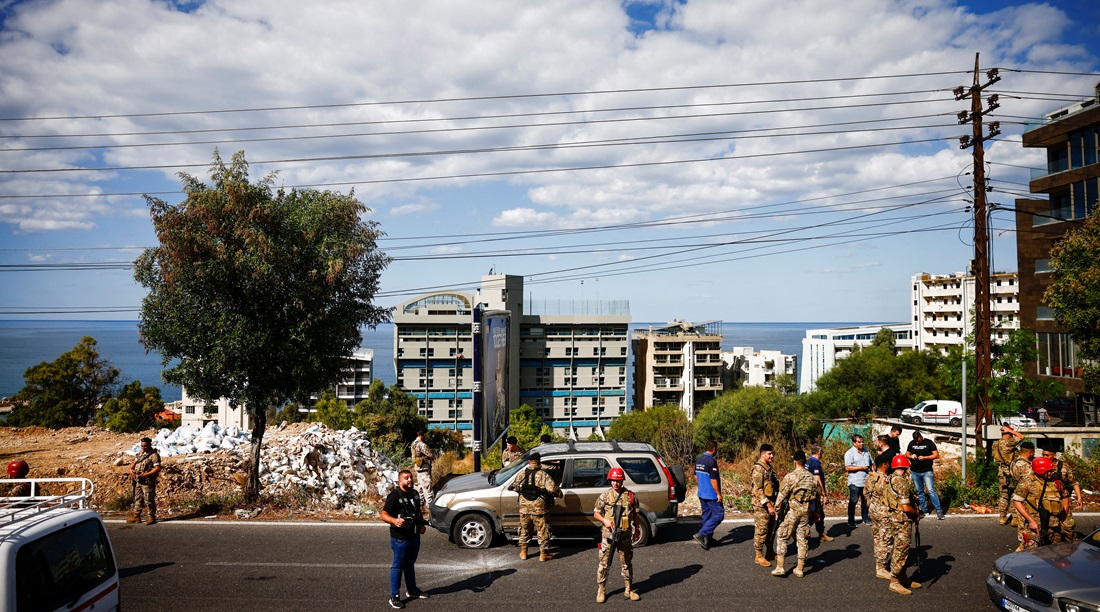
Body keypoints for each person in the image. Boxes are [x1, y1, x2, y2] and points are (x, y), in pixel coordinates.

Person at [381, 469, 429, 609]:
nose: (409, 480)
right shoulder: (395, 495)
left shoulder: (414, 494)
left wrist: (421, 526)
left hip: (414, 536)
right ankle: (394, 596)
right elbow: (383, 515)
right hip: (400, 539)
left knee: (410, 564)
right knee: (398, 566)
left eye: (411, 478)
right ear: (400, 481)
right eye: (406, 478)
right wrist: (394, 521)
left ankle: (412, 590)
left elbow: (417, 512)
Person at [593, 467, 641, 603]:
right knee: (604, 563)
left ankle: (628, 589)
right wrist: (605, 521)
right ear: (610, 480)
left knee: (626, 563)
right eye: (613, 480)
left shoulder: (631, 496)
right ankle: (601, 589)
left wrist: (636, 530)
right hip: (609, 535)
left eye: (618, 480)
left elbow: (636, 514)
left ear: (622, 481)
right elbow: (596, 513)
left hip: (625, 536)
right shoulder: (605, 496)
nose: (616, 483)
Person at [771, 450, 820, 578]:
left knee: (782, 535)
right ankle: (799, 568)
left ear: (795, 462)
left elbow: (781, 496)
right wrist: (816, 512)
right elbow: (817, 497)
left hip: (792, 511)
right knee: (802, 538)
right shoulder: (812, 478)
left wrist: (777, 511)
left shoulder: (790, 477)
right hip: (806, 512)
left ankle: (780, 567)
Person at [1012, 457, 1074, 551]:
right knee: (1032, 553)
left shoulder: (1056, 482)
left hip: (1053, 526)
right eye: (1048, 471)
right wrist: (1031, 521)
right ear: (1039, 471)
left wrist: (1063, 515)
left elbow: (1065, 497)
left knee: (1055, 553)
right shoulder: (1027, 482)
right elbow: (1017, 502)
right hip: (1035, 526)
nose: (1052, 473)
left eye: (1052, 470)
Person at [883, 455, 921, 595]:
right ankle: (894, 580)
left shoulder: (889, 479)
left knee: (899, 547)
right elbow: (906, 507)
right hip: (902, 520)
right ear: (905, 467)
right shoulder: (902, 483)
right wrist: (916, 514)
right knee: (902, 549)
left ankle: (902, 576)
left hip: (893, 518)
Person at [512, 452, 561, 561]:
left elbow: (516, 487)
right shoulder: (543, 475)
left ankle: (523, 552)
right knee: (542, 531)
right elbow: (553, 489)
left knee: (525, 530)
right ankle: (543, 554)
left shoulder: (521, 474)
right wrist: (559, 494)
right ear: (539, 462)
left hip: (524, 508)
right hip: (539, 509)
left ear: (529, 461)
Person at [865, 454, 894, 580]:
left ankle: (879, 564)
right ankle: (881, 567)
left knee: (877, 538)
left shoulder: (870, 477)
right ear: (885, 464)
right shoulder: (885, 479)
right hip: (884, 513)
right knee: (886, 539)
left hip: (873, 511)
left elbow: (865, 494)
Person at [751, 443, 779, 567]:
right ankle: (758, 555)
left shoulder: (768, 468)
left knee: (771, 529)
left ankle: (770, 552)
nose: (772, 456)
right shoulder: (758, 469)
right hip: (761, 506)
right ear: (763, 454)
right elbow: (758, 489)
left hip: (771, 503)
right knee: (761, 530)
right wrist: (768, 505)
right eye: (769, 454)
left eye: (772, 453)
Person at [905, 431, 944, 520]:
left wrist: (925, 458)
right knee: (919, 491)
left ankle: (939, 510)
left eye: (918, 441)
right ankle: (924, 509)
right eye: (916, 442)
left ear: (921, 437)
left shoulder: (929, 443)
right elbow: (907, 454)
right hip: (915, 471)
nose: (917, 443)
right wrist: (912, 456)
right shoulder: (911, 443)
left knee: (931, 490)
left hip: (927, 471)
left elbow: (936, 455)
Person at [993, 425, 1026, 525]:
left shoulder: (996, 443)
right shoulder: (1009, 443)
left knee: (1004, 496)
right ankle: (1015, 519)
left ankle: (1002, 518)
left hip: (1002, 473)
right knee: (1017, 495)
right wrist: (1012, 432)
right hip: (1012, 473)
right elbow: (1021, 437)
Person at [693, 440, 722, 550]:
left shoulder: (699, 459)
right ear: (714, 449)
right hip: (711, 495)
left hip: (701, 493)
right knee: (719, 514)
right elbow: (713, 479)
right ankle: (701, 534)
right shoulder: (711, 461)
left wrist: (702, 485)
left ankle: (708, 540)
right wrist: (718, 494)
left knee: (707, 515)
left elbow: (695, 476)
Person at [128, 437, 162, 525]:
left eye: (145, 446)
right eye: (142, 446)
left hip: (147, 481)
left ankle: (151, 516)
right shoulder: (140, 454)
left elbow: (157, 468)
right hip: (139, 481)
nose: (144, 448)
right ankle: (136, 516)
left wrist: (146, 474)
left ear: (150, 445)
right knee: (138, 498)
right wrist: (131, 469)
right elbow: (134, 463)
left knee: (148, 500)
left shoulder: (154, 455)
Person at [844, 434, 873, 527]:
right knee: (854, 500)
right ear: (854, 443)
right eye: (859, 442)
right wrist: (861, 467)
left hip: (865, 481)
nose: (862, 443)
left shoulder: (867, 452)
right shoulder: (849, 453)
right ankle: (851, 520)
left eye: (862, 441)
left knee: (865, 501)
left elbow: (871, 463)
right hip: (855, 482)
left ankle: (865, 517)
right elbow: (848, 467)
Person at [805, 444, 833, 541]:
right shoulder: (816, 464)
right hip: (815, 493)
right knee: (814, 514)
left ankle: (821, 534)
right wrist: (824, 494)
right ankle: (803, 533)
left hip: (808, 492)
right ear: (819, 452)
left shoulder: (808, 462)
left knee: (819, 513)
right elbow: (817, 479)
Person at [411, 429, 435, 508]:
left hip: (418, 468)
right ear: (423, 435)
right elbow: (430, 455)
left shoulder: (413, 443)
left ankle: (420, 506)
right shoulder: (422, 444)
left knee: (420, 487)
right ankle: (430, 507)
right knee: (427, 488)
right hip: (424, 468)